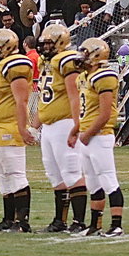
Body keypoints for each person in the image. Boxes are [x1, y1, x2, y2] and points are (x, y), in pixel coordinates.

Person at [35, 24, 89, 233]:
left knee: (71, 170)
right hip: (48, 125)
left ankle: (79, 221)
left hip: (64, 122)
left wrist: (77, 126)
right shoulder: (45, 62)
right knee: (54, 174)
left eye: (49, 43)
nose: (44, 47)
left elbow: (74, 96)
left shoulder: (67, 60)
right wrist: (34, 126)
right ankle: (60, 220)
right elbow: (44, 98)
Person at [72, 37, 126, 236]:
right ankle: (95, 225)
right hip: (87, 135)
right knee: (93, 183)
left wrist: (87, 134)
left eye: (85, 53)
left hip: (99, 135)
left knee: (108, 179)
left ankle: (117, 225)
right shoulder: (84, 77)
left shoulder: (105, 76)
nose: (81, 58)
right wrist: (77, 131)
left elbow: (105, 114)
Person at [0, 28, 37, 232]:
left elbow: (21, 100)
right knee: (3, 176)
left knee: (15, 174)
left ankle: (22, 222)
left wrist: (23, 128)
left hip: (9, 125)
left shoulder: (16, 63)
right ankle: (8, 219)